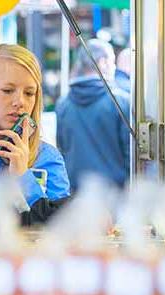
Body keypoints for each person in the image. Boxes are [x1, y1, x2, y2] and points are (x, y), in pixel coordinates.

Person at [0, 44, 71, 226]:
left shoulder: (47, 157)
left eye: (29, 93)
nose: (20, 102)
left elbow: (60, 225)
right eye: (8, 91)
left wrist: (23, 175)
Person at [56, 39, 130, 192]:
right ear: (102, 62)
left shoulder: (63, 104)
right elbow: (130, 154)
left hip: (75, 196)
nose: (114, 67)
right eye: (112, 61)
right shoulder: (120, 102)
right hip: (114, 196)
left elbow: (62, 150)